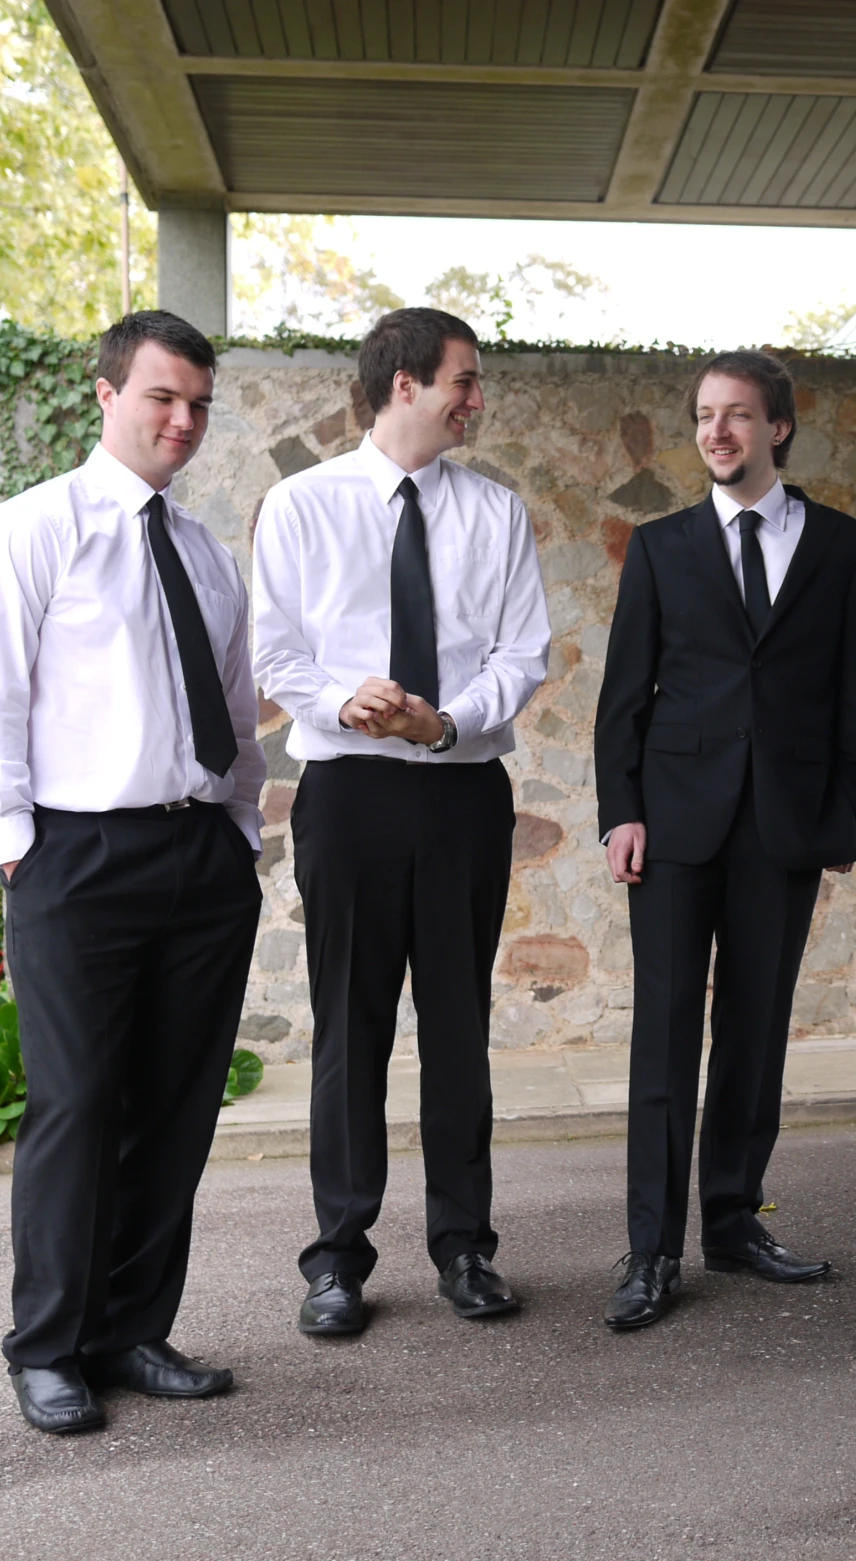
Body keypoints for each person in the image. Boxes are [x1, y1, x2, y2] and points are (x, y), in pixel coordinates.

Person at [0, 310, 266, 1435]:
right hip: (75, 856)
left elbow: (231, 708)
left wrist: (240, 834)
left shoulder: (205, 551)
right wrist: (13, 845)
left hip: (199, 858)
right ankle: (46, 1347)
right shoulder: (28, 531)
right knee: (77, 1107)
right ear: (105, 394)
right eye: (161, 398)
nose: (182, 421)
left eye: (198, 406)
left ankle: (133, 1330)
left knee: (175, 1111)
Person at [252, 307, 551, 1338]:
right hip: (347, 794)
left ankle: (465, 1248)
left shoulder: (495, 513)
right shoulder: (300, 506)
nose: (477, 400)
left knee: (460, 1030)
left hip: (462, 788)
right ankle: (337, 1259)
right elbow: (275, 653)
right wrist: (342, 702)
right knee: (350, 1028)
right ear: (405, 385)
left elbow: (523, 654)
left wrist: (449, 719)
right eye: (464, 381)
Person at [592, 351, 856, 1330]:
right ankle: (649, 1250)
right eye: (706, 417)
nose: (717, 432)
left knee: (755, 1034)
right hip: (673, 824)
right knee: (664, 1038)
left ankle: (732, 1220)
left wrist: (845, 816)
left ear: (778, 428)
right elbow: (622, 698)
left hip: (785, 826)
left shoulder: (844, 549)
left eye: (738, 416)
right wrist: (618, 811)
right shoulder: (660, 546)